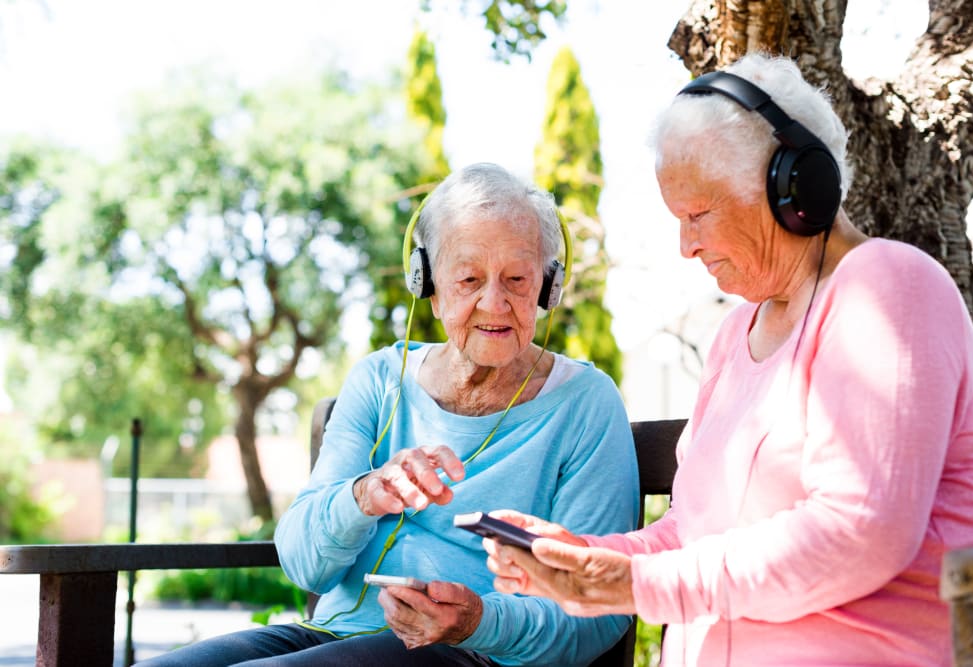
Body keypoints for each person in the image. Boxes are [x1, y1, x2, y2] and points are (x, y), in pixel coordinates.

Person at [484, 54, 973, 666]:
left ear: (792, 188)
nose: (685, 245)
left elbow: (859, 533)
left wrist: (631, 585)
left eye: (697, 214)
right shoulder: (735, 336)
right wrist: (591, 558)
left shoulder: (888, 285)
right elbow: (691, 532)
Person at [138, 162, 639, 667]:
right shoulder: (380, 380)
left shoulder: (585, 404)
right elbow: (303, 563)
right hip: (331, 637)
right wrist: (364, 496)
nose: (495, 301)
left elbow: (596, 610)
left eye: (517, 279)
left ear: (548, 287)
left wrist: (478, 622)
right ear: (428, 284)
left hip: (472, 654)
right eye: (468, 278)